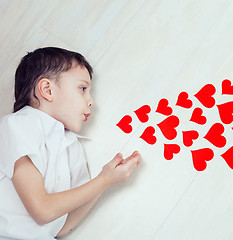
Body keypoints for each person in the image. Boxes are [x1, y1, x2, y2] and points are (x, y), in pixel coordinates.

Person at [0, 47, 141, 239]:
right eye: (83, 89)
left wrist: (106, 181)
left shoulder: (72, 148)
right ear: (47, 90)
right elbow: (42, 211)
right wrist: (104, 180)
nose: (91, 101)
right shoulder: (17, 125)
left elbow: (61, 227)